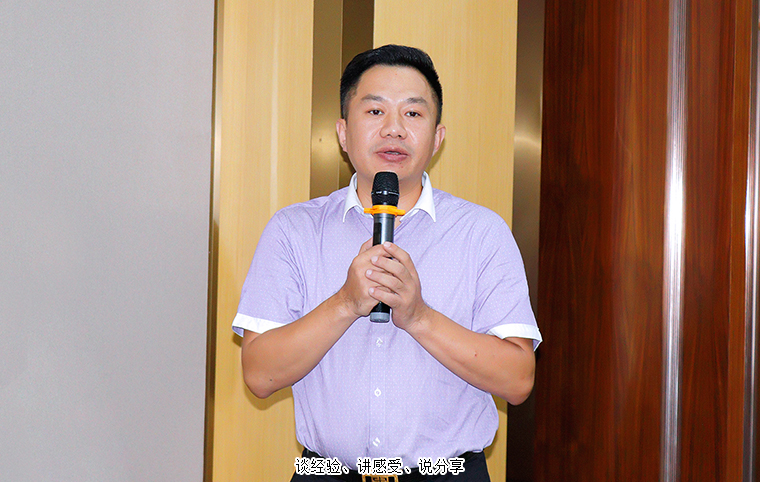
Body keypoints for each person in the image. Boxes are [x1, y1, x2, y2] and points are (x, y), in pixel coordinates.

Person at [233, 44, 542, 481]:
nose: (394, 129)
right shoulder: (293, 230)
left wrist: (419, 317)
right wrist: (345, 303)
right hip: (327, 472)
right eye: (375, 111)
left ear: (437, 137)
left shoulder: (482, 232)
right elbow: (260, 375)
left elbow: (518, 380)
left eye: (413, 114)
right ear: (343, 133)